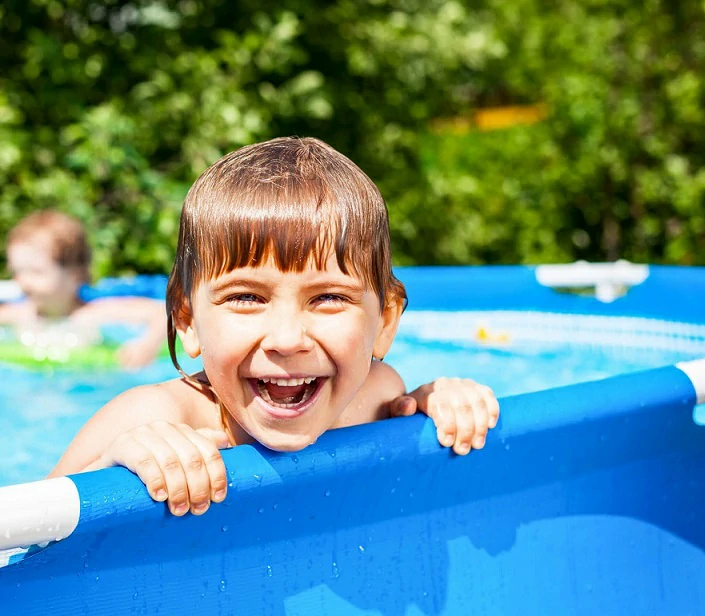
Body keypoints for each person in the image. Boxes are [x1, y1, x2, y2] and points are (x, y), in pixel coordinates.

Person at [49, 137, 500, 517]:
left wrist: (434, 403)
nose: (287, 339)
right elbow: (17, 543)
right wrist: (109, 471)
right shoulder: (151, 418)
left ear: (385, 323)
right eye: (246, 297)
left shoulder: (378, 396)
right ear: (186, 321)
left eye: (329, 298)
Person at [0, 210, 167, 369]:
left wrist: (148, 344)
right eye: (17, 271)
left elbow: (164, 313)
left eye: (36, 272)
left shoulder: (95, 313)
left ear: (75, 275)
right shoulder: (18, 314)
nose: (22, 281)